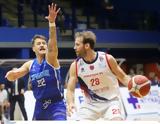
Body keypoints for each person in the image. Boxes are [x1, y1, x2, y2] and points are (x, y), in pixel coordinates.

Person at [5, 3, 66, 120]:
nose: (42, 45)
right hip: (40, 106)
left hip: (56, 104)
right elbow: (17, 74)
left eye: (44, 43)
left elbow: (53, 43)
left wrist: (52, 23)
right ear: (33, 48)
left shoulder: (51, 59)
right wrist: (11, 75)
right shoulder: (30, 64)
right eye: (39, 44)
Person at [66, 31, 131, 120]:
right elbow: (70, 90)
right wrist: (70, 103)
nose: (74, 47)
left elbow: (123, 77)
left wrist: (133, 85)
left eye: (77, 45)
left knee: (116, 120)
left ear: (87, 46)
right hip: (90, 105)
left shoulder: (107, 59)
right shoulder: (75, 66)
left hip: (111, 102)